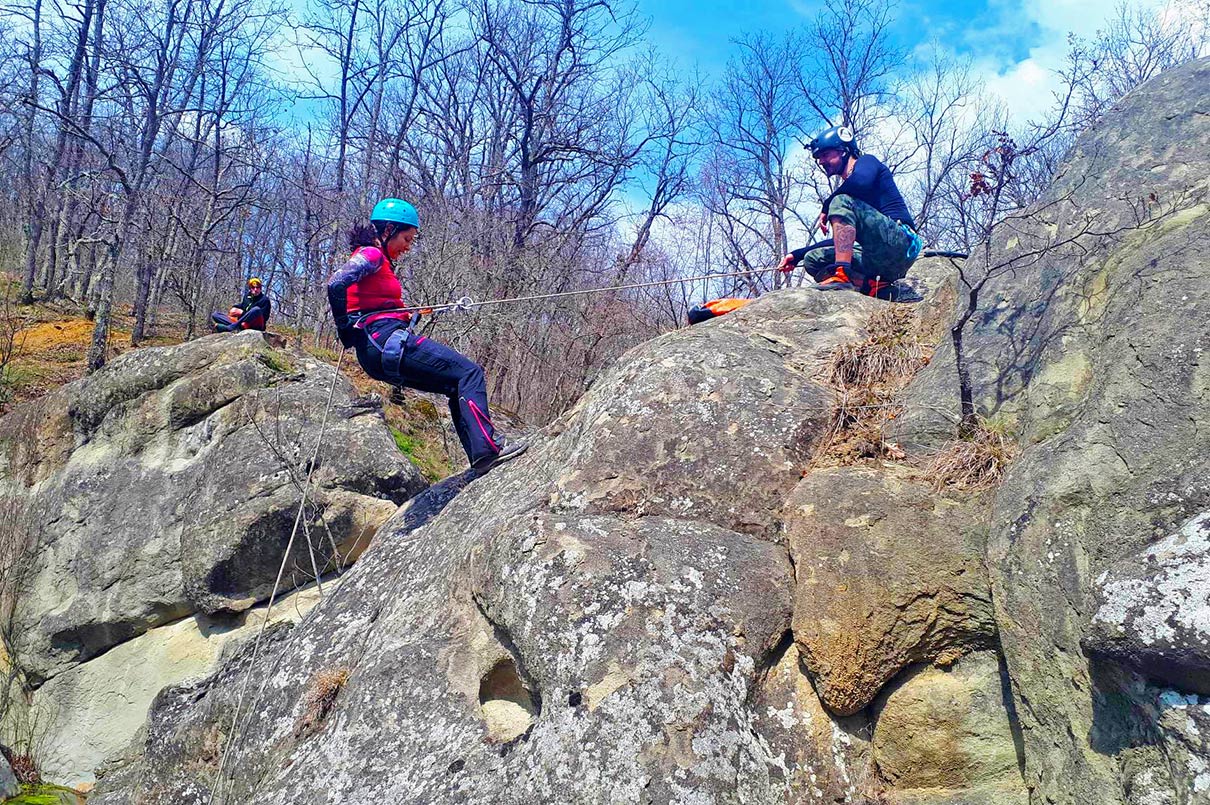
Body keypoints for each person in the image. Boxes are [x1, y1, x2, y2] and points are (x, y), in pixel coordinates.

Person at [327, 198, 527, 476]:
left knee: (455, 384)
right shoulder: (371, 255)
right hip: (380, 340)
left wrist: (409, 314)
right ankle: (488, 447)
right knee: (470, 374)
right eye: (406, 238)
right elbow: (337, 283)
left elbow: (373, 304)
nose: (408, 246)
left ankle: (481, 456)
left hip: (377, 347)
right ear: (388, 231)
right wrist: (343, 327)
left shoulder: (380, 261)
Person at [779, 125, 923, 298]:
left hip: (901, 244)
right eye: (818, 157)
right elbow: (844, 240)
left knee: (840, 201)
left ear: (844, 151)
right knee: (813, 259)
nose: (821, 161)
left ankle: (842, 275)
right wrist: (797, 255)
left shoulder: (867, 162)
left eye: (825, 155)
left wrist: (827, 205)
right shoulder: (849, 196)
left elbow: (860, 182)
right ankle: (872, 286)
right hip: (877, 258)